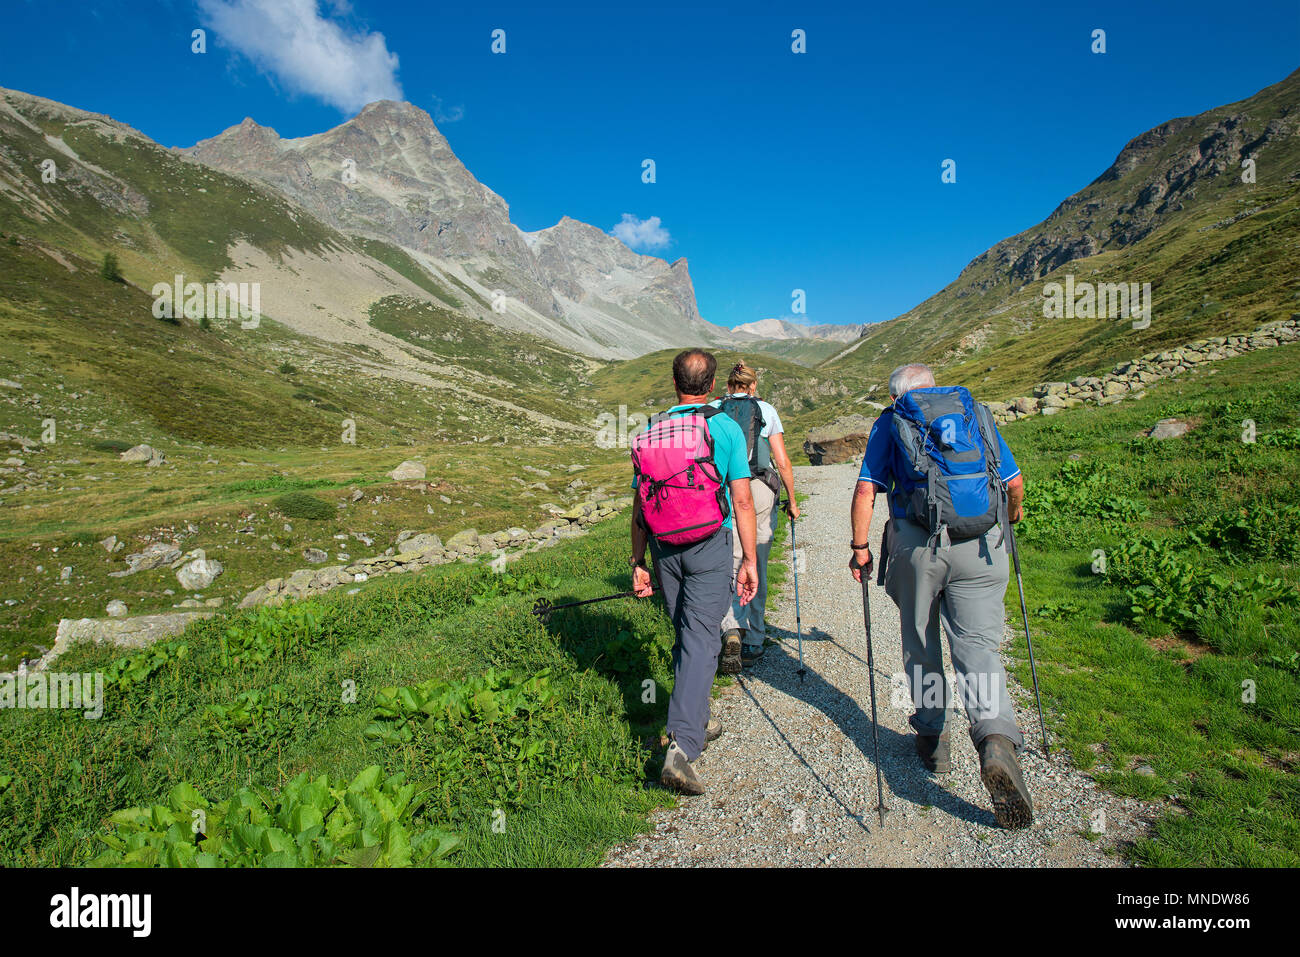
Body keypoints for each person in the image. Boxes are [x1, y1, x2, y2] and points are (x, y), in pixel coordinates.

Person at [848, 362, 1033, 828]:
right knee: (977, 648)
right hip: (982, 545)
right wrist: (1012, 518)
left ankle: (933, 738)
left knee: (921, 641)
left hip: (919, 545)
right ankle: (994, 740)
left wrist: (860, 548)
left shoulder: (891, 423)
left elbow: (867, 489)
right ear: (935, 388)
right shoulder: (975, 414)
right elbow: (1013, 483)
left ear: (897, 397)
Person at [630, 349, 759, 795]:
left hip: (664, 547)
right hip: (709, 543)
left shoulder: (652, 430)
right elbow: (742, 500)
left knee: (689, 632)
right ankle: (681, 749)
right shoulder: (723, 426)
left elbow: (639, 506)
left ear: (674, 381)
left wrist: (638, 562)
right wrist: (750, 559)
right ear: (712, 383)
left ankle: (697, 717)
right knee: (702, 637)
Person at [709, 361, 799, 673]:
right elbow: (782, 461)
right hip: (760, 487)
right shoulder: (766, 410)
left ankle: (731, 629)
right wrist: (792, 499)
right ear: (753, 386)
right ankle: (755, 639)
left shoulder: (712, 409)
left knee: (731, 560)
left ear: (728, 384)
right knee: (757, 559)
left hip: (724, 490)